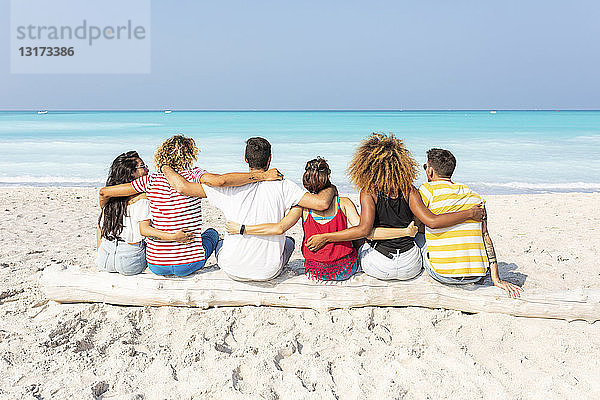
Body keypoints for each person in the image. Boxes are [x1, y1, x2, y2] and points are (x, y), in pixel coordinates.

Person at [305, 133, 484, 281]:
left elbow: (364, 230)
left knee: (359, 239)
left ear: (367, 166)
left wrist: (326, 238)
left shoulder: (368, 192)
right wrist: (469, 213)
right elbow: (430, 222)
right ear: (401, 165)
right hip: (411, 267)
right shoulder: (410, 190)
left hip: (378, 266)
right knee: (422, 237)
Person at [98, 135, 282, 277]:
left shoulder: (150, 179)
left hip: (156, 265)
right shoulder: (194, 174)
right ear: (190, 154)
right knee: (211, 234)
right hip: (188, 265)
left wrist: (104, 210)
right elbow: (221, 181)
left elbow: (105, 192)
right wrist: (262, 176)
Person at [162, 138, 338, 281]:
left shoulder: (227, 188)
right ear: (270, 159)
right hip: (268, 272)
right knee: (289, 242)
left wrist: (165, 167)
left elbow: (183, 188)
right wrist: (331, 187)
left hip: (231, 268)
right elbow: (322, 203)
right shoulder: (285, 186)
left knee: (219, 240)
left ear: (246, 159)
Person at [224, 157, 419, 281]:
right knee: (359, 235)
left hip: (314, 271)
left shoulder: (301, 207)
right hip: (345, 270)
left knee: (290, 240)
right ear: (328, 178)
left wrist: (243, 229)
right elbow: (362, 229)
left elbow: (279, 228)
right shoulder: (343, 202)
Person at [417, 148, 522, 298]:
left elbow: (420, 224)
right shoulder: (474, 196)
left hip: (443, 274)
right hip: (477, 276)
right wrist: (496, 279)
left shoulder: (427, 190)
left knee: (418, 238)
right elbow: (486, 236)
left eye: (425, 166)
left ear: (431, 171)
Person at [96, 151, 194, 275]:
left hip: (105, 257)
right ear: (131, 172)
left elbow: (100, 227)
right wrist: (173, 237)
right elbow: (145, 230)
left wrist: (100, 252)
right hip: (129, 260)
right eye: (142, 166)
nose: (147, 170)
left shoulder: (109, 198)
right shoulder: (142, 198)